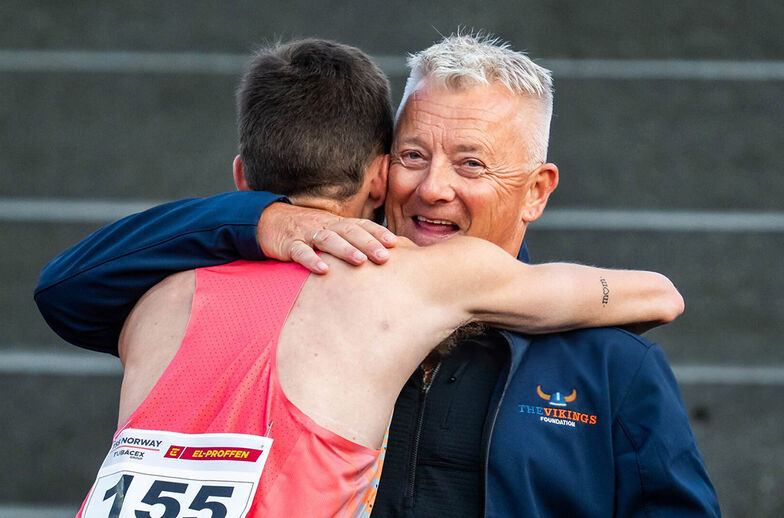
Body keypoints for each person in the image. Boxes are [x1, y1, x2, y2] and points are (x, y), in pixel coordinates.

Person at [37, 35, 719, 517]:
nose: (432, 188)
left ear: (537, 191)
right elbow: (65, 290)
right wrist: (259, 219)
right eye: (413, 154)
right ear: (378, 171)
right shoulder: (314, 301)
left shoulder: (615, 369)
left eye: (472, 165)